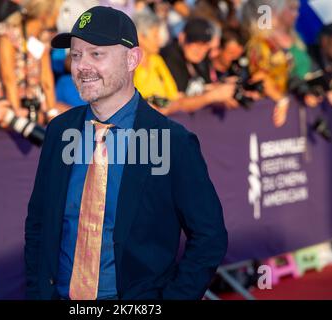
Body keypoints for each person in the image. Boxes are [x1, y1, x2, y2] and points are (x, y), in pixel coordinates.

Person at [25, 6, 227, 300]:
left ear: (132, 59)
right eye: (77, 55)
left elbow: (210, 238)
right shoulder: (59, 132)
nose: (82, 66)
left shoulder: (172, 142)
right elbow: (38, 225)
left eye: (97, 54)